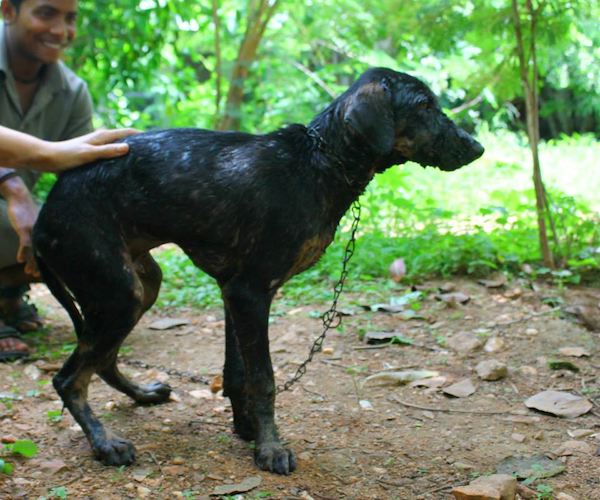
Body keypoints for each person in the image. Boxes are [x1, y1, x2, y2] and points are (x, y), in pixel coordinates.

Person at [0, 0, 135, 360]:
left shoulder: (72, 92)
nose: (60, 30)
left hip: (13, 217)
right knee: (10, 219)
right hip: (9, 208)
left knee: (83, 230)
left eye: (70, 18)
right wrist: (13, 186)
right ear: (8, 11)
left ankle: (8, 295)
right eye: (46, 13)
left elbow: (78, 179)